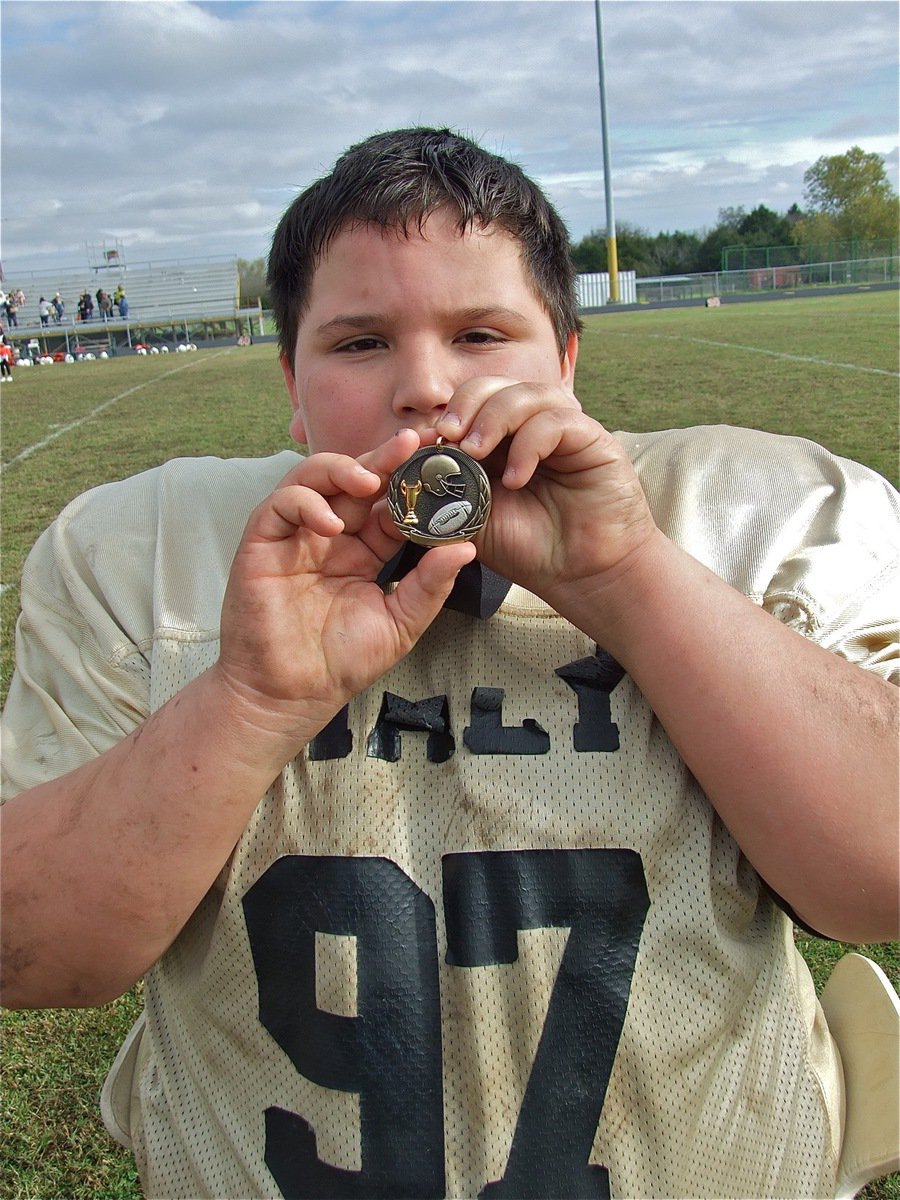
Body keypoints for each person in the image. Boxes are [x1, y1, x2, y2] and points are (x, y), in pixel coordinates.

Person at [1, 127, 897, 1200]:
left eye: (482, 332)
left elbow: (879, 881)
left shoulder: (750, 510)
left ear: (565, 361)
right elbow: (36, 956)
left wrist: (629, 577)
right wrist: (249, 698)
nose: (426, 387)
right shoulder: (139, 550)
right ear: (291, 382)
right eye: (359, 343)